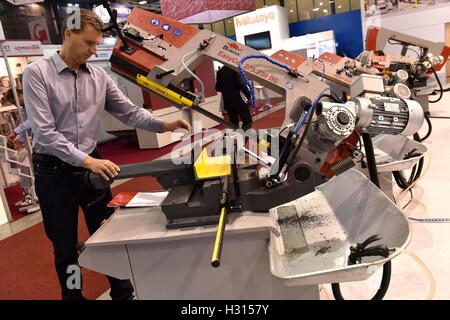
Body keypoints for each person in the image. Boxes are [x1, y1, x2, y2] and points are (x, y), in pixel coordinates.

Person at [23, 9, 191, 300]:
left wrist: (165, 123)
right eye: (87, 43)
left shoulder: (99, 77)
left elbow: (129, 111)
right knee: (65, 248)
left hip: (92, 167)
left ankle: (122, 293)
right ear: (68, 34)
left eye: (96, 43)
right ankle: (73, 297)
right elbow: (45, 133)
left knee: (109, 235)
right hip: (54, 173)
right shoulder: (37, 74)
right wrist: (88, 160)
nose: (92, 50)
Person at [215, 65, 253, 130]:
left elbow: (217, 88)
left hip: (228, 102)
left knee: (234, 124)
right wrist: (249, 96)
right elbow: (242, 85)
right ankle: (245, 137)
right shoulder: (235, 70)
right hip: (239, 101)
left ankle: (238, 137)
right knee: (247, 121)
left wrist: (226, 89)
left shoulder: (220, 72)